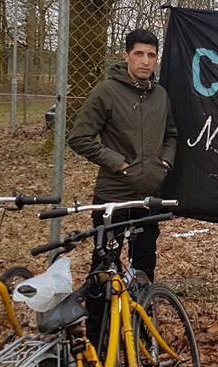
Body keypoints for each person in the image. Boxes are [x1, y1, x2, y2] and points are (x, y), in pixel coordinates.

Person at [68, 28, 177, 345]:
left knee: (145, 265)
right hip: (112, 199)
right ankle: (98, 343)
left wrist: (164, 164)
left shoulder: (161, 96)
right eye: (139, 54)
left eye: (151, 55)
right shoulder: (106, 92)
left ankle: (141, 332)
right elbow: (80, 138)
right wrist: (118, 162)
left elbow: (171, 135)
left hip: (148, 200)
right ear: (126, 55)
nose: (146, 61)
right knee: (104, 270)